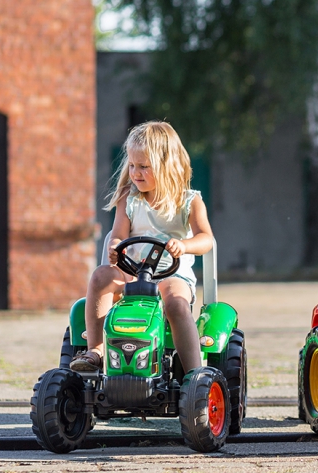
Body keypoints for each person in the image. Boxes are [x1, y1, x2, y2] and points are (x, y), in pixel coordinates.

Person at [70, 121, 214, 374]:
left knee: (176, 303)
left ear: (166, 165)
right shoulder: (129, 198)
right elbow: (117, 236)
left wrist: (183, 244)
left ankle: (194, 374)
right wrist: (115, 248)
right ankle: (96, 351)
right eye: (133, 165)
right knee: (101, 276)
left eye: (144, 167)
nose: (136, 172)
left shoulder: (189, 201)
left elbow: (206, 239)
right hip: (131, 272)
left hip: (172, 275)